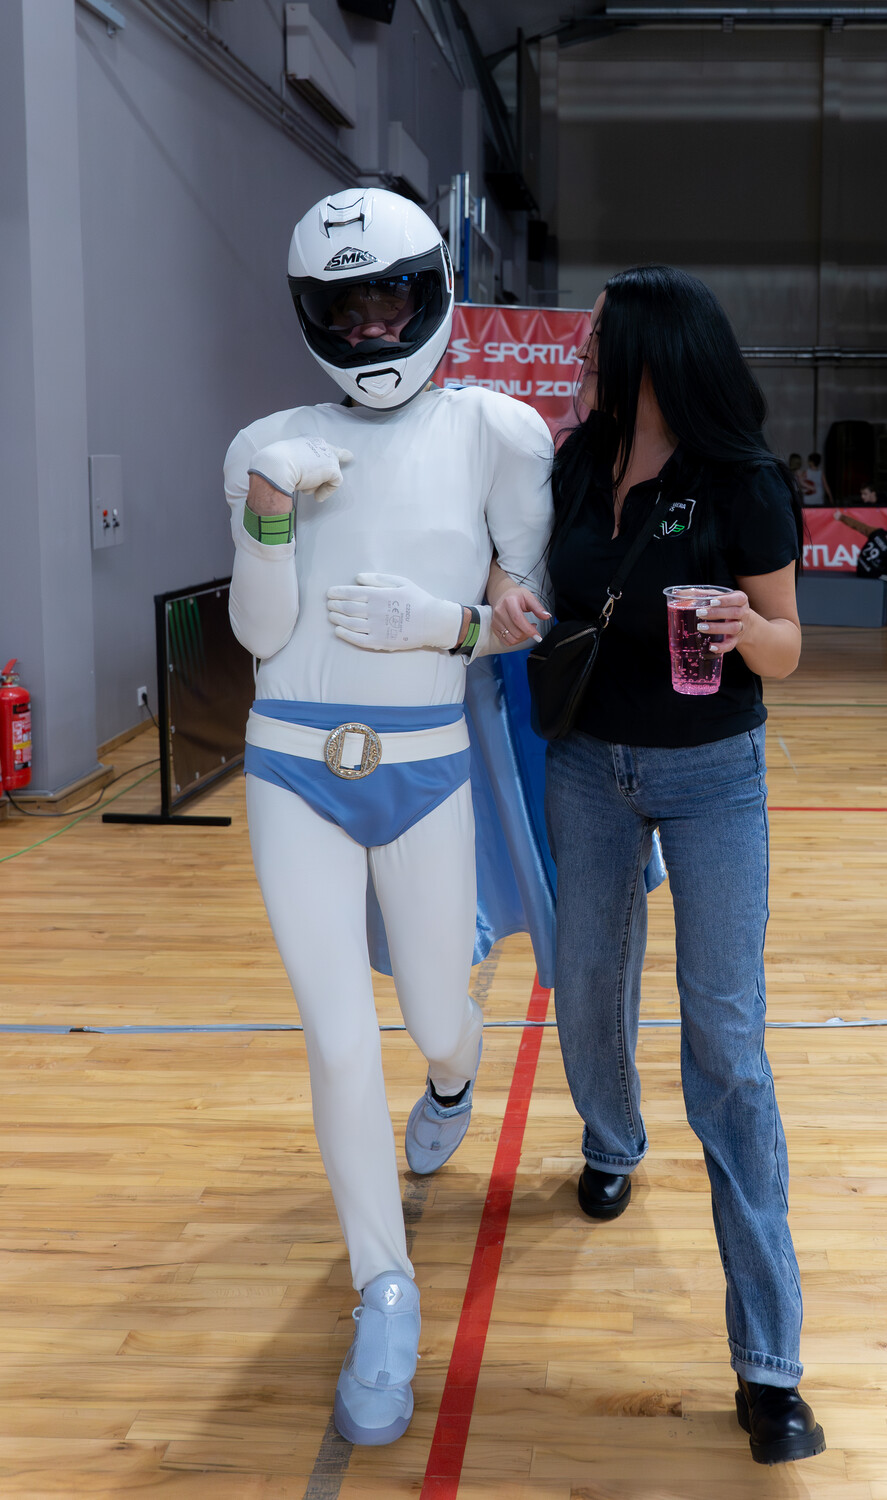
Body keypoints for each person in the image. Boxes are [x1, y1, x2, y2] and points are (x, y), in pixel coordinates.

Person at [225, 187, 553, 1448]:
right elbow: (259, 631)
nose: (371, 329)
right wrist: (268, 514)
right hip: (291, 765)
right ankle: (385, 1287)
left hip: (426, 761)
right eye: (346, 308)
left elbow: (529, 613)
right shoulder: (267, 440)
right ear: (313, 314)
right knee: (335, 1036)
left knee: (434, 1019)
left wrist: (446, 626)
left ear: (429, 292)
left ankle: (455, 1084)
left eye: (389, 301)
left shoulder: (496, 432)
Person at [505, 265, 825, 1465]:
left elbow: (787, 648)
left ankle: (769, 1365)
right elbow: (532, 578)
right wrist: (509, 603)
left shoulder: (742, 480)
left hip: (712, 776)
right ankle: (610, 1139)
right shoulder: (576, 461)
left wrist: (749, 631)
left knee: (725, 1043)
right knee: (587, 987)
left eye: (599, 335)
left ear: (655, 350)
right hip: (587, 765)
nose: (583, 348)